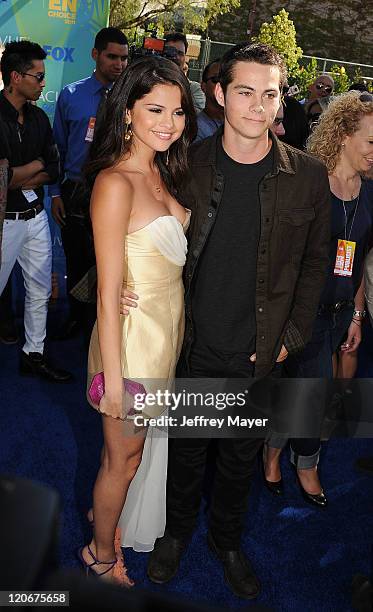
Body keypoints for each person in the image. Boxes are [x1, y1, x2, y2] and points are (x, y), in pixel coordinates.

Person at [120, 42, 330, 599]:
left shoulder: (309, 176)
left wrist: (291, 337)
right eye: (245, 92)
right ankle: (176, 534)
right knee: (186, 451)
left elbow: (316, 264)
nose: (259, 107)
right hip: (192, 343)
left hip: (261, 349)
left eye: (270, 93)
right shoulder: (186, 163)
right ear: (218, 95)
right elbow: (139, 229)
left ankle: (227, 539)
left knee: (239, 460)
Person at [77, 56, 196, 585]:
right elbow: (107, 294)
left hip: (163, 339)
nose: (168, 123)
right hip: (129, 345)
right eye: (154, 109)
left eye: (177, 111)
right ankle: (101, 557)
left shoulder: (162, 168)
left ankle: (105, 520)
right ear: (127, 112)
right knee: (120, 460)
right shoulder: (116, 182)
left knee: (133, 455)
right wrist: (116, 383)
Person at [265, 92, 373, 504]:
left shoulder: (370, 191)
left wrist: (358, 316)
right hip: (299, 311)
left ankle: (276, 453)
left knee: (303, 391)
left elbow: (359, 258)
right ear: (344, 135)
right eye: (371, 141)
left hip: (341, 309)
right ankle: (301, 463)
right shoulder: (308, 180)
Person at [50, 27, 129, 342]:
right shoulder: (71, 95)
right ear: (95, 55)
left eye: (124, 58)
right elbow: (56, 149)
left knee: (110, 261)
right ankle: (77, 318)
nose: (119, 64)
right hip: (75, 189)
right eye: (112, 56)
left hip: (116, 191)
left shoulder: (133, 98)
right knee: (76, 257)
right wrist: (56, 192)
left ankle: (105, 325)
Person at [0, 41, 72, 382]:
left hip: (36, 219)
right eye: (38, 76)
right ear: (16, 77)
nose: (44, 83)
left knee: (40, 290)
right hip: (5, 224)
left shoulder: (40, 117)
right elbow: (2, 179)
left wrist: (18, 173)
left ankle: (34, 354)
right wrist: (34, 167)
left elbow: (54, 168)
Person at [164, 32, 205, 113]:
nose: (175, 57)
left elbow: (194, 116)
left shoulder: (193, 89)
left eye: (180, 53)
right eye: (170, 52)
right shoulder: (149, 82)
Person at [195, 59, 224, 142]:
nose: (222, 84)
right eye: (216, 79)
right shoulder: (196, 129)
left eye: (227, 80)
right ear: (203, 86)